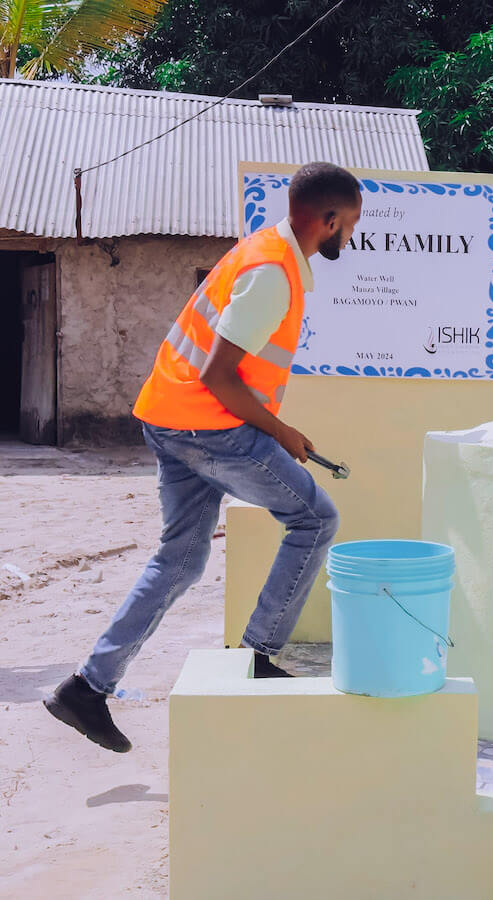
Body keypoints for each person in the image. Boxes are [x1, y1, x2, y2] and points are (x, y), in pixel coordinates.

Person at [45, 162, 362, 752]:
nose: (350, 237)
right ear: (330, 219)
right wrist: (283, 432)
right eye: (351, 225)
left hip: (169, 419)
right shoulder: (272, 274)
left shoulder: (260, 251)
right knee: (316, 519)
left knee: (180, 561)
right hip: (208, 427)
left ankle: (86, 690)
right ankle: (258, 657)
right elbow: (221, 377)